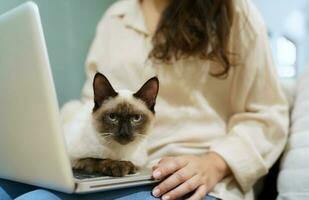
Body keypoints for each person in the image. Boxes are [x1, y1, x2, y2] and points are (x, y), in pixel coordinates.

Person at [0, 0, 289, 199]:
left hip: (194, 178)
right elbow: (92, 102)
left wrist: (215, 163)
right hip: (111, 171)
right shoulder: (115, 17)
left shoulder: (235, 12)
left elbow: (268, 114)